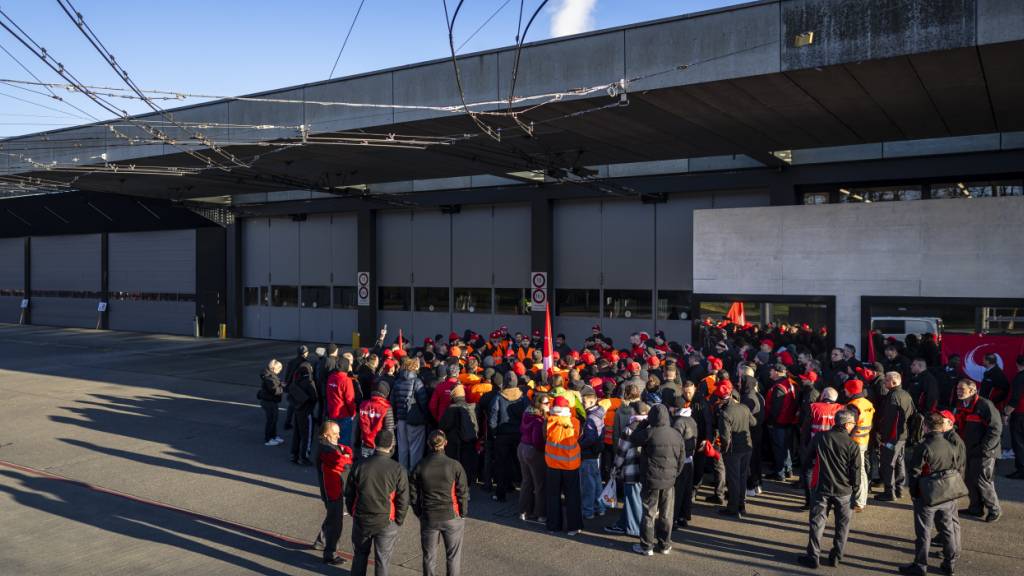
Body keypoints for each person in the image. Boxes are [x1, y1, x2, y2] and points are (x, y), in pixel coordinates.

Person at [899, 413, 964, 576]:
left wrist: (914, 493)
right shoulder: (951, 445)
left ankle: (920, 565)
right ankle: (950, 563)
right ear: (942, 427)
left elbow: (914, 472)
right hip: (947, 494)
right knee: (947, 529)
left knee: (924, 532)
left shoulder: (923, 446)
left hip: (927, 495)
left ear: (926, 427)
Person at [797, 410, 860, 569]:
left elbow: (808, 457)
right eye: (852, 423)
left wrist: (808, 473)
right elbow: (856, 471)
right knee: (842, 525)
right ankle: (836, 556)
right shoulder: (852, 444)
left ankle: (813, 556)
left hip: (822, 487)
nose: (854, 426)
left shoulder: (820, 437)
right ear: (846, 424)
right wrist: (856, 491)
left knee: (817, 523)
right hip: (844, 491)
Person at [345, 429, 409, 576]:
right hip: (386, 520)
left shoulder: (360, 465)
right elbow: (403, 499)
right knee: (382, 560)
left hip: (362, 517)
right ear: (392, 445)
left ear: (374, 443)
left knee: (360, 555)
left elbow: (349, 493)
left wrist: (352, 511)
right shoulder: (398, 469)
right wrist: (398, 520)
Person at [410, 430, 469, 576]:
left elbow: (413, 494)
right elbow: (463, 492)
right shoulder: (455, 465)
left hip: (429, 516)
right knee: (453, 557)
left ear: (428, 444)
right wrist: (463, 513)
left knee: (429, 557)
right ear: (446, 443)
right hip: (451, 516)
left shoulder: (420, 466)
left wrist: (419, 512)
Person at [630, 403, 685, 556]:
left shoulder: (649, 433)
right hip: (669, 481)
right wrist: (674, 475)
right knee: (666, 514)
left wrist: (644, 422)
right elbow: (682, 459)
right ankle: (664, 545)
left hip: (651, 480)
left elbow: (633, 438)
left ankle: (647, 546)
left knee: (649, 513)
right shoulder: (676, 434)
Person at [952, 378, 1002, 522]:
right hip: (968, 449)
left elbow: (996, 429)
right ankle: (975, 508)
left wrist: (985, 449)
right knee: (969, 479)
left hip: (984, 451)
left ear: (973, 390)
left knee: (982, 480)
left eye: (962, 389)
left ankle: (994, 510)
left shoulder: (985, 405)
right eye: (958, 389)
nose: (959, 392)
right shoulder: (961, 404)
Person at [606, 401, 651, 537]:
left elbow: (621, 452)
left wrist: (614, 467)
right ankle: (622, 523)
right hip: (645, 469)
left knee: (633, 499)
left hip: (631, 470)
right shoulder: (650, 426)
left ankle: (634, 529)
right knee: (632, 499)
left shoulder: (629, 429)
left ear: (633, 412)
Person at [315, 421, 354, 566]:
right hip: (331, 491)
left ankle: (320, 541)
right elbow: (342, 461)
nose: (339, 436)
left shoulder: (328, 445)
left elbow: (347, 450)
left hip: (333, 489)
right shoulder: (326, 449)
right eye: (335, 433)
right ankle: (330, 554)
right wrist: (347, 456)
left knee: (332, 517)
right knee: (336, 523)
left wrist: (346, 454)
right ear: (326, 435)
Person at [715, 380, 756, 518]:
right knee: (742, 477)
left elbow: (725, 437)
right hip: (747, 447)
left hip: (733, 450)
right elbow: (753, 422)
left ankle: (733, 507)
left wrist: (724, 449)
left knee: (733, 479)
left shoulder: (724, 413)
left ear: (720, 398)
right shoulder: (744, 407)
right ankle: (741, 505)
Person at [544, 395, 583, 535]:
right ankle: (574, 527)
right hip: (571, 465)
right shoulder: (575, 422)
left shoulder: (548, 421)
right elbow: (579, 437)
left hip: (552, 464)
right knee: (572, 496)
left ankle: (553, 526)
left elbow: (545, 437)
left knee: (553, 496)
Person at [876, 371, 915, 501]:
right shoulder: (906, 394)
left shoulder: (893, 396)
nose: (884, 382)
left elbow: (889, 420)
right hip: (902, 436)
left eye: (886, 380)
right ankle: (898, 490)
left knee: (888, 464)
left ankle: (889, 492)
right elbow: (912, 414)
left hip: (893, 436)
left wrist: (883, 437)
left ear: (894, 382)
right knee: (899, 462)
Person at [802, 388, 843, 509]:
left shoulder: (813, 407)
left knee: (808, 472)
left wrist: (805, 445)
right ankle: (829, 503)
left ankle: (810, 501)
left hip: (815, 445)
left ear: (823, 395)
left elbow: (805, 428)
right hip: (834, 446)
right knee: (831, 474)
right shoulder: (841, 408)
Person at [489, 377, 528, 502]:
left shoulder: (499, 397)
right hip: (519, 435)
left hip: (502, 435)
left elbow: (493, 415)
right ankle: (523, 493)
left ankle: (501, 493)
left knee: (501, 464)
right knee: (519, 463)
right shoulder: (523, 397)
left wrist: (494, 432)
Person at [391, 357, 429, 470]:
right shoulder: (417, 382)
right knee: (415, 449)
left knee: (402, 449)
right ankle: (413, 474)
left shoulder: (397, 382)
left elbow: (392, 401)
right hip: (415, 420)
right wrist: (425, 416)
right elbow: (423, 402)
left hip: (400, 419)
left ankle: (402, 473)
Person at [844, 378, 875, 511]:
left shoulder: (853, 405)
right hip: (864, 440)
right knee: (860, 470)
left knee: (859, 471)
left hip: (854, 442)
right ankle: (859, 499)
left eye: (846, 389)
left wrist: (846, 439)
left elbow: (851, 425)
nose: (844, 391)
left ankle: (859, 501)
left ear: (850, 391)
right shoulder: (867, 403)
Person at [519, 393, 550, 523]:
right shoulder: (538, 420)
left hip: (522, 448)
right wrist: (545, 450)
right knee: (539, 484)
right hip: (534, 451)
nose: (549, 405)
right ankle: (540, 514)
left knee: (527, 481)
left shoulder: (526, 414)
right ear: (539, 404)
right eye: (546, 403)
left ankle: (524, 511)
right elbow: (537, 441)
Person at [765, 363, 799, 481]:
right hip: (788, 420)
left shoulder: (779, 386)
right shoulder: (789, 383)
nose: (770, 372)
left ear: (777, 372)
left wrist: (771, 421)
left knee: (779, 448)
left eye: (771, 370)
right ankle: (788, 470)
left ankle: (779, 473)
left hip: (779, 422)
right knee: (785, 447)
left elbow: (776, 407)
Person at [439, 385, 478, 484]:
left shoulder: (451, 409)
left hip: (454, 442)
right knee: (467, 465)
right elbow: (476, 427)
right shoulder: (471, 407)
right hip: (468, 441)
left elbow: (443, 425)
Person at [578, 385, 607, 520]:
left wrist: (578, 445)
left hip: (589, 454)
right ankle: (600, 507)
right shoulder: (600, 413)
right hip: (596, 453)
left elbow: (590, 438)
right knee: (596, 481)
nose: (582, 405)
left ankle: (588, 511)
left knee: (588, 485)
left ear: (592, 401)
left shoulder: (590, 418)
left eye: (584, 402)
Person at [353, 382, 395, 460]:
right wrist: (392, 446)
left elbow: (358, 427)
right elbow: (389, 429)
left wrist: (356, 443)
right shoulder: (386, 407)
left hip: (365, 443)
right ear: (386, 393)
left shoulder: (363, 405)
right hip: (380, 447)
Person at [325, 357, 358, 447]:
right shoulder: (346, 380)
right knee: (344, 439)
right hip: (344, 414)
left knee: (332, 438)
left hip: (332, 412)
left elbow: (328, 394)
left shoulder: (331, 377)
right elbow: (350, 399)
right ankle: (343, 459)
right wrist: (353, 413)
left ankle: (333, 456)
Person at [290, 362, 318, 465]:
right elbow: (314, 397)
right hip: (307, 412)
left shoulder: (296, 382)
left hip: (297, 411)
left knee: (296, 434)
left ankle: (294, 455)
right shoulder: (309, 382)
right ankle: (304, 457)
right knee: (307, 436)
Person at [257, 359, 285, 446]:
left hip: (272, 401)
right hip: (268, 401)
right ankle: (268, 439)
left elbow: (275, 384)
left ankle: (274, 436)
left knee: (274, 419)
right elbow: (274, 390)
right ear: (273, 368)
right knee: (271, 420)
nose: (280, 371)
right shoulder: (269, 377)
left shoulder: (271, 375)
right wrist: (282, 388)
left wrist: (280, 384)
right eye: (279, 369)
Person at [1007, 355, 1024, 479]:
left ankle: (1021, 470)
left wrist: (1006, 413)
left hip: (1020, 414)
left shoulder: (1020, 377)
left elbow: (1015, 398)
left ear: (1017, 364)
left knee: (1018, 442)